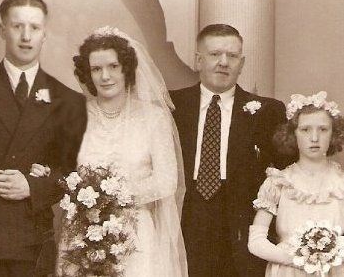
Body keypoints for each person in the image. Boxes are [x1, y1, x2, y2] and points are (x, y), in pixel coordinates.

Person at [31, 26, 188, 277]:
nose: (105, 76)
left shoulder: (153, 117)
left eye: (113, 66)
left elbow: (167, 181)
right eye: (96, 69)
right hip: (82, 234)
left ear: (126, 68)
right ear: (87, 73)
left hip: (136, 236)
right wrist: (50, 175)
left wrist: (114, 196)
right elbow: (64, 172)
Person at [0, 0, 87, 277]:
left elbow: (75, 173)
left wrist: (34, 187)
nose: (26, 36)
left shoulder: (67, 101)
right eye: (17, 26)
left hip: (33, 245)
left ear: (45, 34)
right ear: (2, 30)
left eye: (34, 28)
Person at [170, 24, 289, 277]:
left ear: (242, 62)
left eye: (232, 56)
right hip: (185, 218)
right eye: (215, 54)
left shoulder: (269, 112)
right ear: (198, 60)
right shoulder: (171, 106)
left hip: (242, 226)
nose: (224, 62)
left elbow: (286, 175)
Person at [248, 91, 344, 276]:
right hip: (288, 271)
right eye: (305, 129)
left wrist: (329, 253)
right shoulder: (278, 182)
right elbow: (256, 241)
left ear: (334, 134)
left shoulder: (340, 184)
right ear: (293, 134)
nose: (314, 138)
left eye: (323, 129)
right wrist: (297, 258)